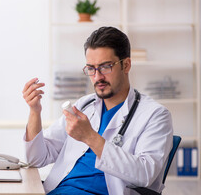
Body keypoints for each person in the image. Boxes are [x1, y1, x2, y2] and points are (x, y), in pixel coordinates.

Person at [22, 26, 173, 195]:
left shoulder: (155, 115)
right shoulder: (84, 105)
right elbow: (37, 158)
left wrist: (90, 137)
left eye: (106, 66)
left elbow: (145, 174)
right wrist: (35, 111)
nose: (98, 77)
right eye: (91, 68)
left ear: (126, 65)